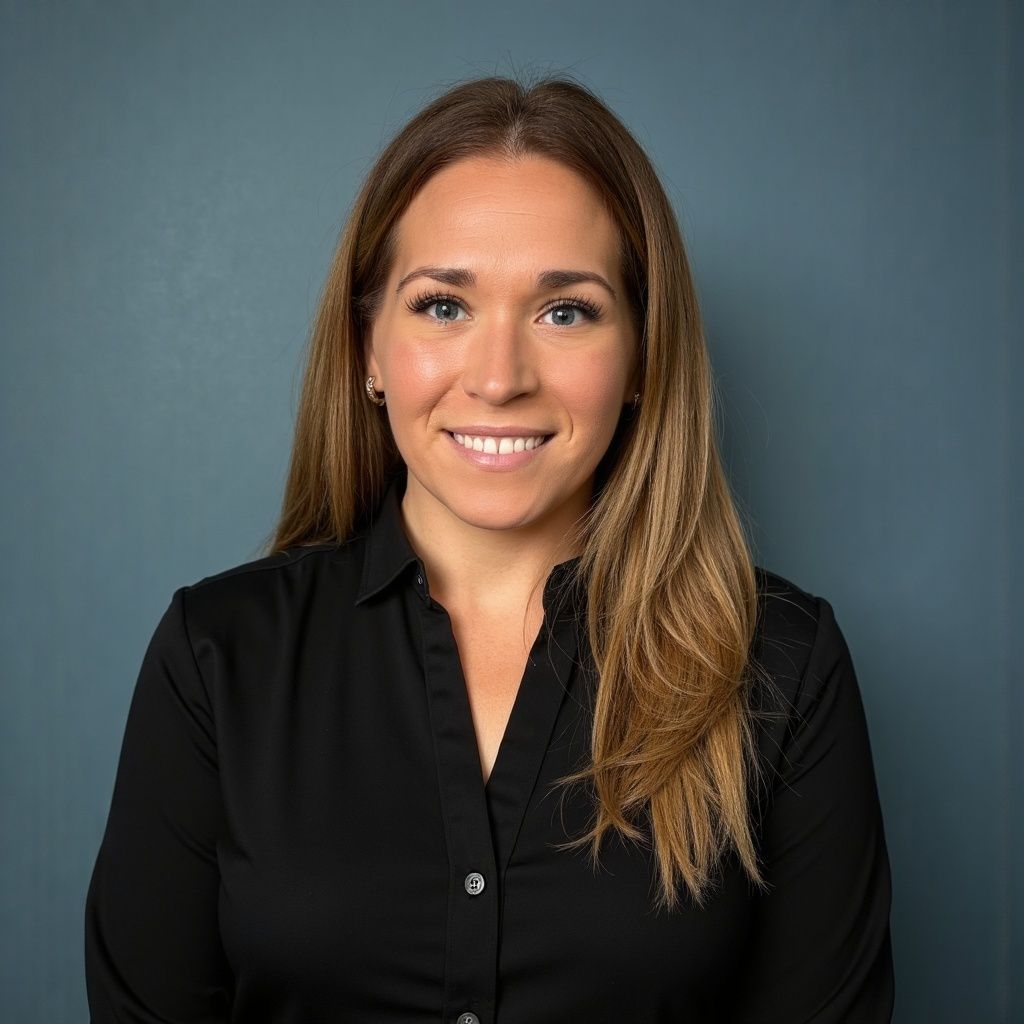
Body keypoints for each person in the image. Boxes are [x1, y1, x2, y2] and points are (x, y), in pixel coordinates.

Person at [84, 73, 894, 1023]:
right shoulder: (217, 659)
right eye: (442, 306)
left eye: (566, 311)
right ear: (369, 352)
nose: (500, 378)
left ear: (641, 357)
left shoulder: (783, 670)